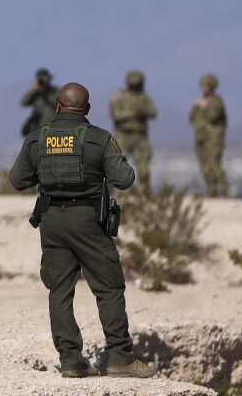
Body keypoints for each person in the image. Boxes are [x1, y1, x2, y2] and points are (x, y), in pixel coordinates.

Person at [8, 82, 154, 379]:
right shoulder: (98, 139)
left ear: (58, 107)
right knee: (108, 287)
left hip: (51, 221)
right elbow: (125, 179)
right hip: (88, 220)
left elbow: (17, 180)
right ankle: (119, 358)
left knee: (59, 290)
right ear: (86, 109)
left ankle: (71, 360)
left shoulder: (37, 139)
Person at [109, 70, 157, 188]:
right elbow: (115, 115)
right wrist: (132, 113)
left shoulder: (144, 98)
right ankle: (112, 194)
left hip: (140, 135)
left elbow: (153, 112)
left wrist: (143, 112)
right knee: (116, 165)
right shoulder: (119, 97)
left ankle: (145, 193)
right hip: (122, 135)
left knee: (143, 168)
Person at [189, 73, 229, 198]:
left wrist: (203, 107)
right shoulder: (200, 102)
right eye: (203, 86)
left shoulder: (217, 102)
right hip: (201, 138)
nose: (204, 88)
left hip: (214, 139)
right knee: (204, 166)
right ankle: (211, 190)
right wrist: (196, 108)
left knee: (214, 164)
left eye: (206, 86)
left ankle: (224, 190)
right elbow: (192, 119)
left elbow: (213, 117)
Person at [20, 68, 58, 136]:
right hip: (38, 128)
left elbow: (58, 104)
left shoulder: (56, 91)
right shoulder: (35, 93)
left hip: (53, 127)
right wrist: (33, 90)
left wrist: (45, 94)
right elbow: (24, 103)